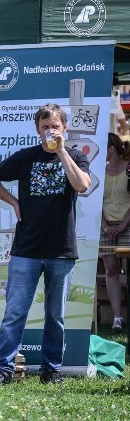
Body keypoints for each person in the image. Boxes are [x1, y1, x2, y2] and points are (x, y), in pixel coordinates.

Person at [0, 104, 90, 386]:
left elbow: (82, 185)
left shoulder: (76, 156)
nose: (50, 131)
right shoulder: (25, 157)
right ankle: (3, 370)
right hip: (26, 249)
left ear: (65, 128)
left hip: (61, 250)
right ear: (36, 129)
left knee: (55, 315)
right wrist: (14, 202)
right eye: (45, 127)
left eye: (55, 126)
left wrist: (61, 152)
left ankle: (51, 370)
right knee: (14, 313)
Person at [99, 133, 130, 332]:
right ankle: (117, 318)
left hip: (127, 223)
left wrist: (125, 223)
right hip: (107, 225)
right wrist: (104, 226)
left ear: (111, 149)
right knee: (110, 269)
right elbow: (96, 202)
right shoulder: (100, 172)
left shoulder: (128, 168)